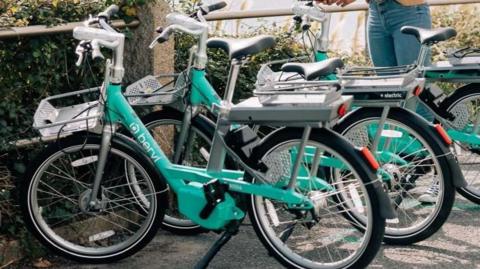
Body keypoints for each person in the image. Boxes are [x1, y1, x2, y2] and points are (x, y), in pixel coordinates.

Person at [316, 0, 437, 203]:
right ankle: (408, 168)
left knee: (419, 95)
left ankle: (440, 175)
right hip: (376, 12)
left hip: (407, 10)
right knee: (388, 93)